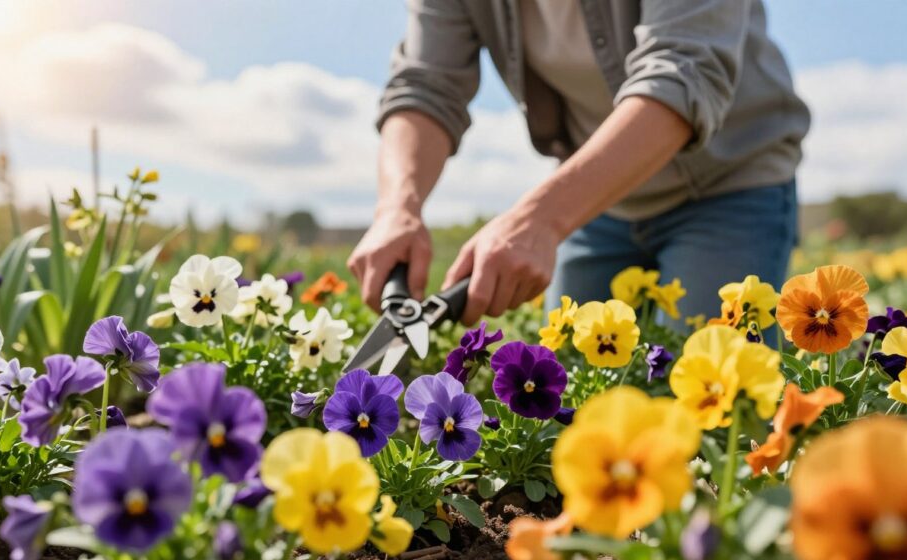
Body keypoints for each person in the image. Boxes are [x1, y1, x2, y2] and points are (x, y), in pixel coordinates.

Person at [347, 0, 809, 326]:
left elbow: (683, 73)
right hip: (597, 201)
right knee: (568, 392)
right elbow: (426, 86)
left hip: (730, 183)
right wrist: (396, 210)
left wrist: (539, 221)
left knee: (707, 403)